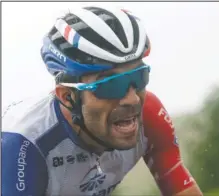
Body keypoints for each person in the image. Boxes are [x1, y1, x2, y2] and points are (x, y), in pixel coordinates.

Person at [1, 6, 203, 196]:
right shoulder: (23, 147)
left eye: (139, 77)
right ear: (68, 97)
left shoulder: (148, 114)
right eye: (111, 85)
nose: (132, 99)